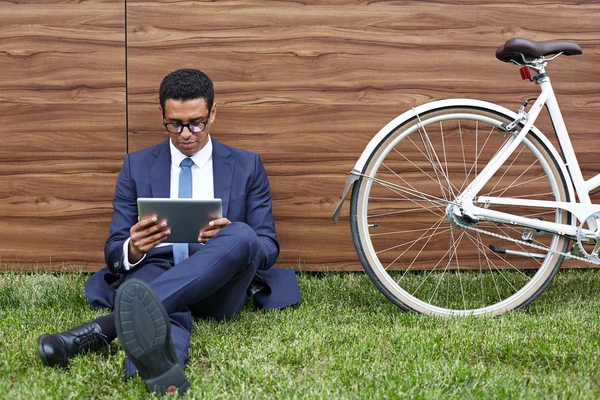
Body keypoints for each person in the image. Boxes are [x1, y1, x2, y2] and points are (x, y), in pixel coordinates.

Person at [37, 69, 300, 396]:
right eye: (175, 124)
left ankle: (103, 329)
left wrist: (228, 238)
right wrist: (133, 248)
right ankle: (164, 378)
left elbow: (267, 246)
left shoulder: (247, 166)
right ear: (161, 114)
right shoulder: (137, 165)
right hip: (155, 271)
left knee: (243, 235)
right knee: (151, 297)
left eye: (196, 123)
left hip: (219, 289)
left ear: (213, 113)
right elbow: (114, 248)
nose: (186, 133)